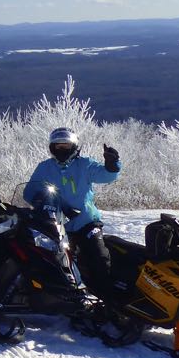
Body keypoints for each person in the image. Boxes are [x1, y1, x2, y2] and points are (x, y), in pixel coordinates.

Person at [23, 127, 121, 297]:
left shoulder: (84, 164)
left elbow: (106, 176)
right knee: (62, 263)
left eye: (66, 146)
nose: (62, 149)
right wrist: (40, 199)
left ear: (74, 147)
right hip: (58, 225)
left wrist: (112, 165)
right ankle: (71, 299)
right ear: (52, 148)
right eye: (58, 146)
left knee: (99, 256)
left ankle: (108, 296)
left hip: (87, 222)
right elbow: (29, 192)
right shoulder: (45, 167)